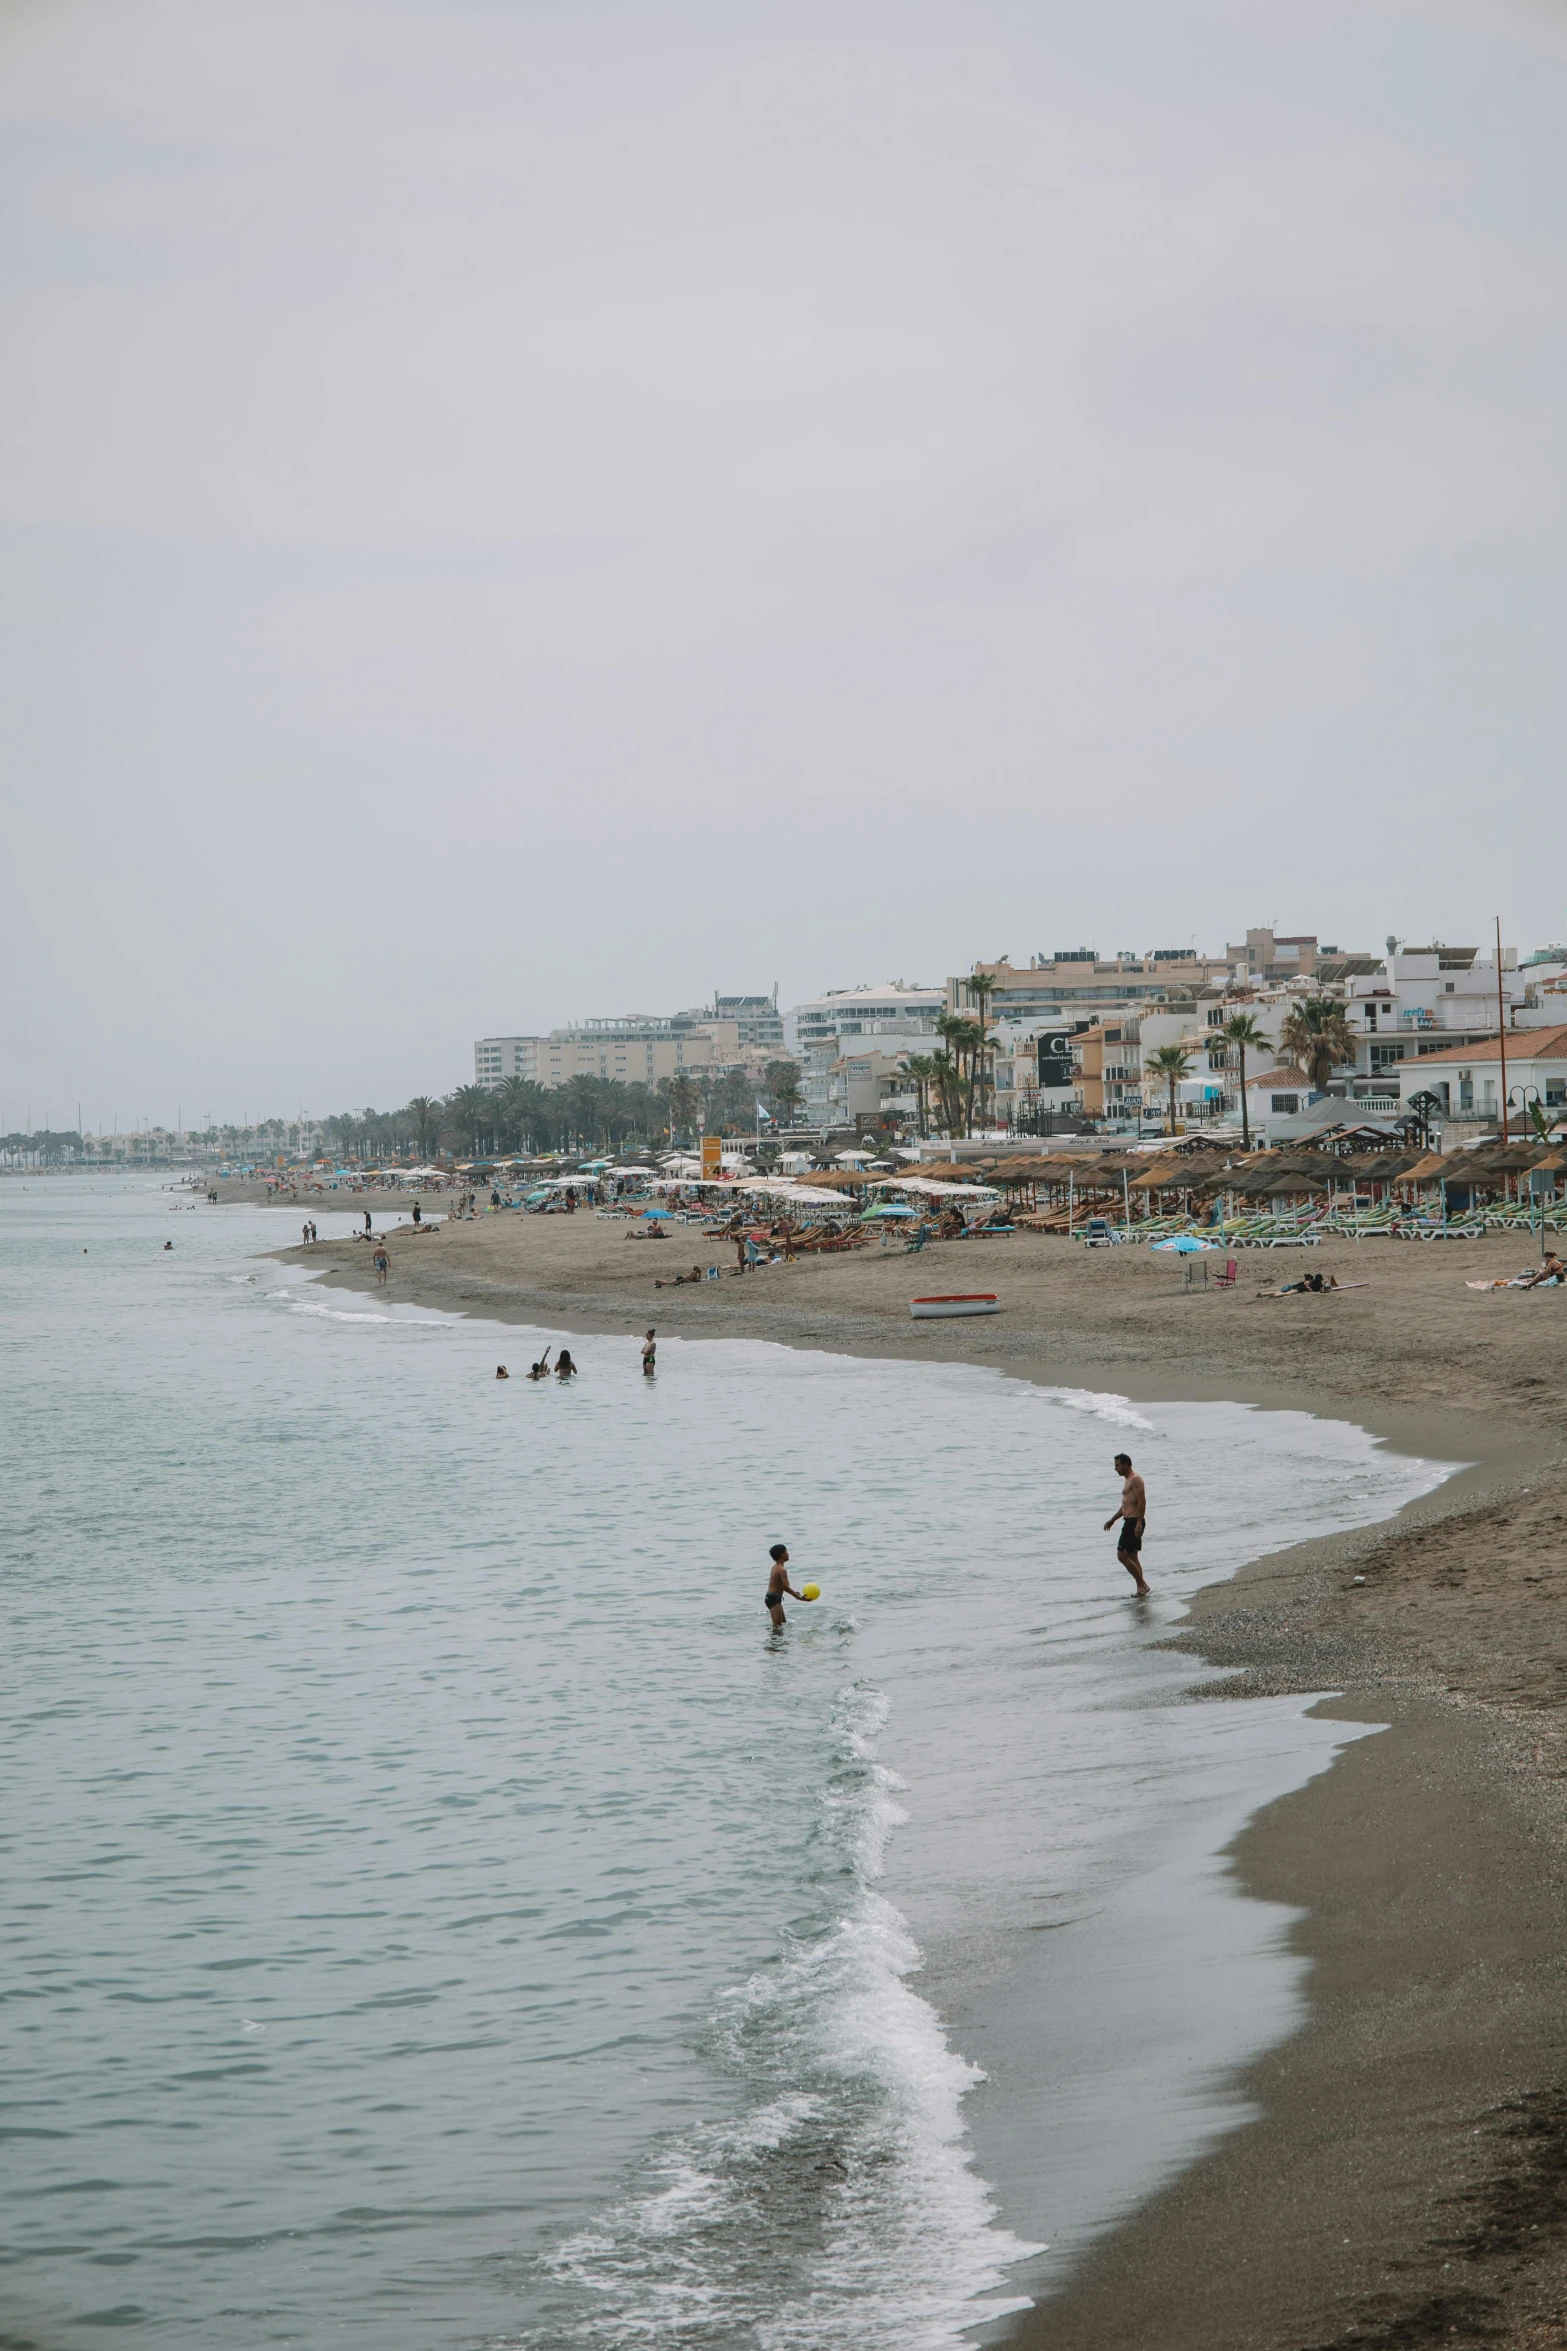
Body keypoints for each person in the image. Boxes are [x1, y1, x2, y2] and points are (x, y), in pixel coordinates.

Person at [1104, 1452, 1150, 1596]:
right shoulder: (1128, 1481)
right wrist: (1113, 1519)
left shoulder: (1135, 1479)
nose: (1115, 1468)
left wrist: (1138, 1524)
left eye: (1117, 1465)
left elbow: (1142, 1501)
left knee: (1122, 1555)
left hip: (1133, 1522)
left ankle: (1142, 1584)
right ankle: (1141, 1588)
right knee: (1133, 1556)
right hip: (1130, 1520)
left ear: (1126, 1464)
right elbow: (1126, 1506)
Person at [764, 1542, 805, 1629]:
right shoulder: (782, 1570)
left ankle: (781, 1642)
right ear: (782, 1554)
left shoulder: (775, 1567)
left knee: (782, 1623)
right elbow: (786, 1587)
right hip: (774, 1599)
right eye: (786, 1552)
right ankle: (774, 1642)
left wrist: (794, 1592)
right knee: (777, 1627)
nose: (788, 1554)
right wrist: (798, 1597)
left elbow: (780, 1585)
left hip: (772, 1598)